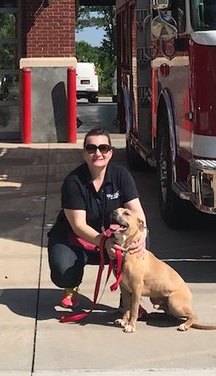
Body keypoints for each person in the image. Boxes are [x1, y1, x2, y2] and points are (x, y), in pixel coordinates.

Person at [48, 128, 147, 310]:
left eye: (103, 148)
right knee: (63, 271)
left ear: (111, 152)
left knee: (139, 245)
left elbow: (137, 212)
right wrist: (105, 243)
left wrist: (142, 234)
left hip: (112, 239)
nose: (98, 153)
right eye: (91, 148)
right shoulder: (73, 182)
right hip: (77, 239)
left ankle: (128, 297)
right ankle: (71, 285)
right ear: (84, 153)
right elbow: (78, 225)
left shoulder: (121, 175)